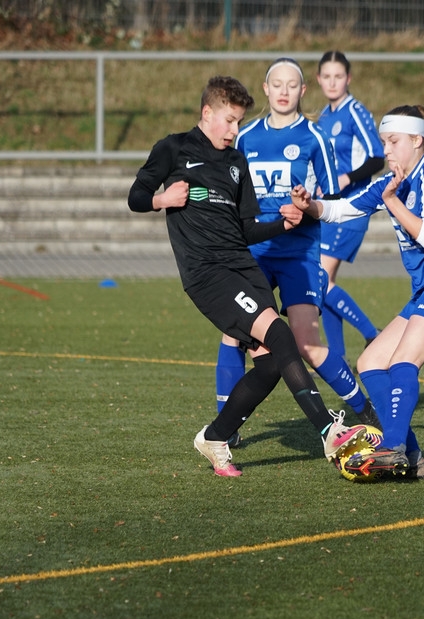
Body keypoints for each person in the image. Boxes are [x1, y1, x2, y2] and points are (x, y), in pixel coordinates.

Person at [127, 75, 367, 477]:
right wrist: (161, 199)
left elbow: (245, 229)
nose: (235, 130)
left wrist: (283, 225)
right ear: (207, 113)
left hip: (243, 267)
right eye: (229, 120)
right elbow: (135, 196)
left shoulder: (236, 162)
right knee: (281, 335)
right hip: (208, 274)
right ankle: (328, 430)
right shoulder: (173, 148)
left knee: (270, 365)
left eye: (239, 121)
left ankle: (215, 436)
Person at [291, 105, 424, 479]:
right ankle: (411, 454)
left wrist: (392, 200)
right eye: (383, 142)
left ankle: (392, 448)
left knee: (402, 362)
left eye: (393, 141)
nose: (386, 150)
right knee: (370, 363)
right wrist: (309, 205)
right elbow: (342, 209)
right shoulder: (390, 182)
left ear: (417, 140)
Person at [214, 58, 379, 443]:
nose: (284, 91)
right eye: (277, 84)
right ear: (266, 89)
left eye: (292, 85)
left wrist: (306, 206)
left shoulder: (314, 136)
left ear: (303, 91)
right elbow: (232, 193)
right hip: (254, 251)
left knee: (306, 343)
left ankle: (364, 409)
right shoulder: (246, 137)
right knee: (233, 333)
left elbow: (330, 199)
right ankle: (225, 426)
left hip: (299, 252)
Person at [314, 50, 386, 358]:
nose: (332, 82)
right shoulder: (324, 116)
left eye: (338, 76)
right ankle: (338, 357)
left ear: (349, 79)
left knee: (319, 279)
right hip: (329, 208)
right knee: (325, 282)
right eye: (327, 76)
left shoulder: (355, 111)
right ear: (318, 79)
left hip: (351, 208)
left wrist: (346, 178)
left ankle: (373, 335)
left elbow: (377, 158)